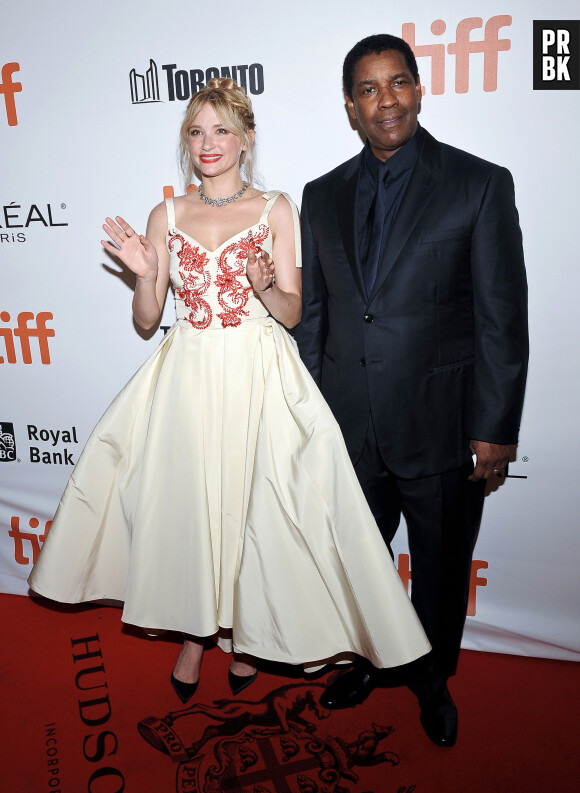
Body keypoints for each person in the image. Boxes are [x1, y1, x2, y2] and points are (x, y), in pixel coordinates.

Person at [28, 78, 430, 705]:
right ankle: (195, 633)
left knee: (251, 506)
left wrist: (263, 284)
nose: (208, 143)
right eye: (196, 131)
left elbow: (293, 313)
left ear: (245, 139)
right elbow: (146, 318)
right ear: (186, 144)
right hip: (188, 373)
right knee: (193, 504)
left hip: (257, 372)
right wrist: (142, 273)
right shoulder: (166, 214)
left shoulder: (275, 208)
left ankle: (245, 635)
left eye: (221, 130)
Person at [294, 35, 528, 747]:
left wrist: (493, 426)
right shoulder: (321, 193)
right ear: (350, 107)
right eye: (368, 89)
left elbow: (500, 315)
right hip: (350, 428)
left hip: (440, 426)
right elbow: (316, 317)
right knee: (357, 564)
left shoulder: (479, 183)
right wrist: (313, 415)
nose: (385, 99)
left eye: (398, 83)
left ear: (420, 91)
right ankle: (367, 658)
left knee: (439, 569)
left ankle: (430, 679)